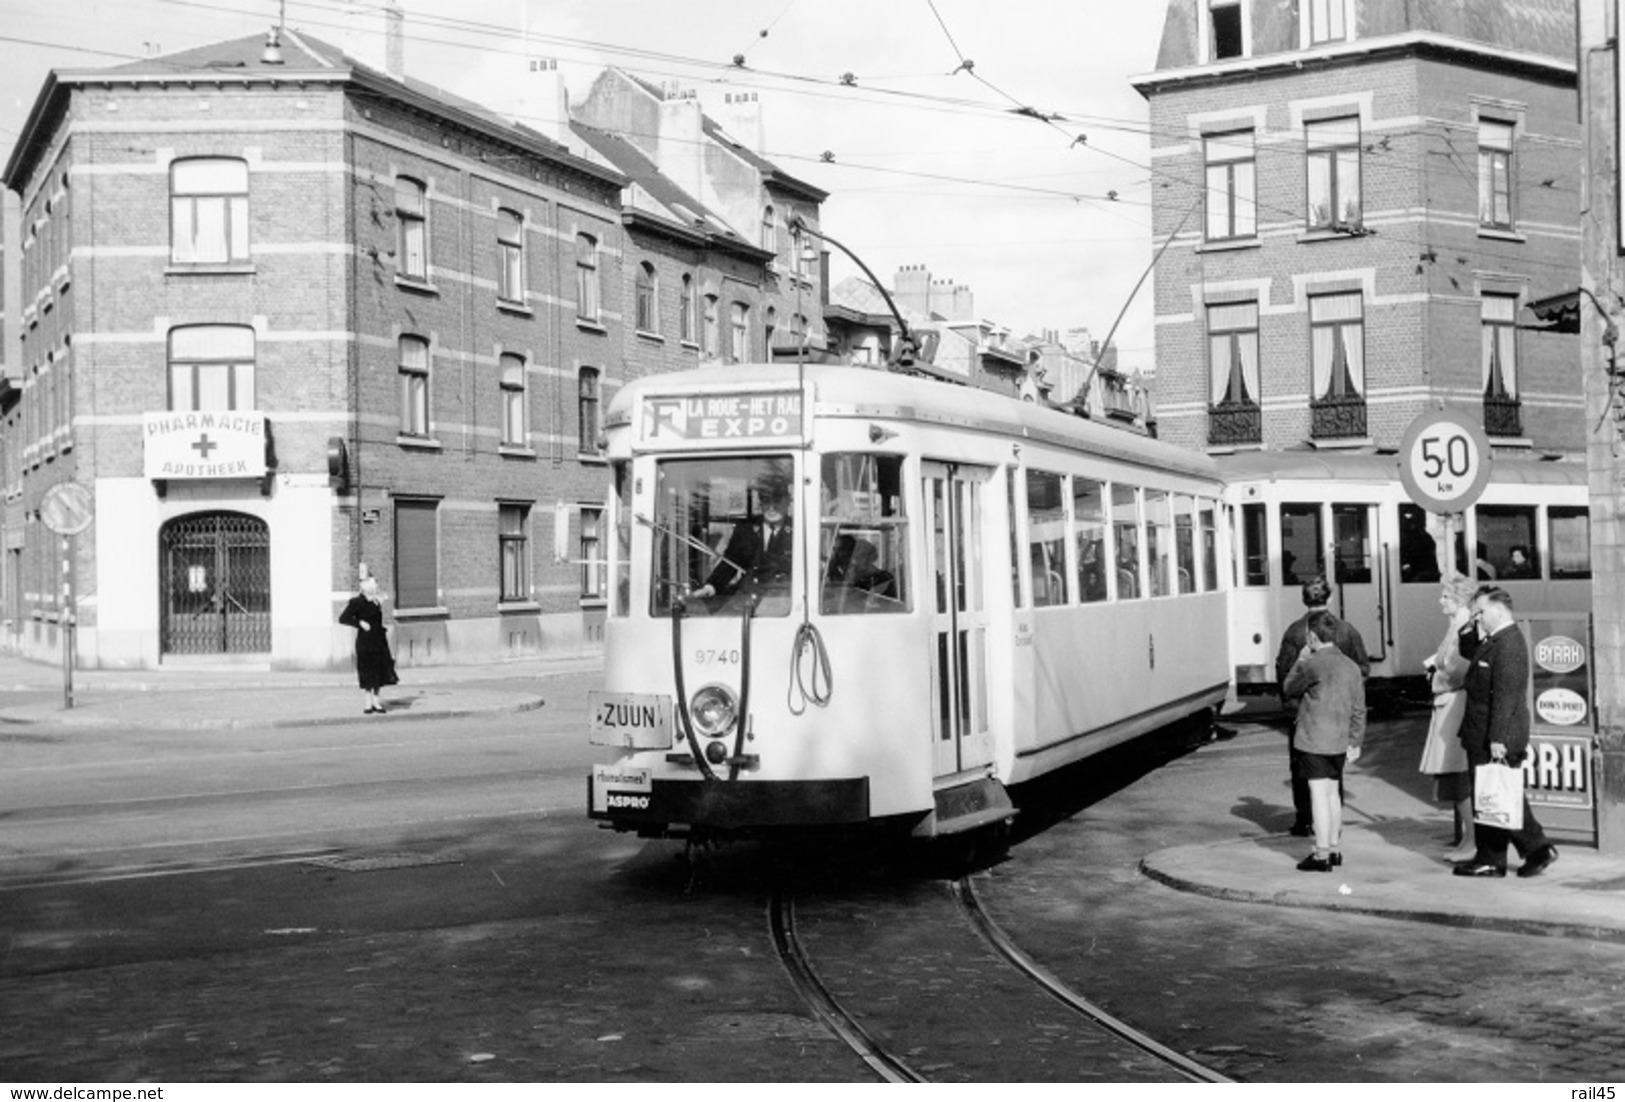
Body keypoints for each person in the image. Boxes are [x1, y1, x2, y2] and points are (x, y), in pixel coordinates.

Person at [1452, 587, 1559, 879]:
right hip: (1484, 732)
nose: (1479, 618)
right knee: (1494, 795)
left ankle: (1508, 854)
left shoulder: (1508, 644)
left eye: (1482, 612)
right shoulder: (1493, 640)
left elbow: (1507, 696)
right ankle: (1509, 854)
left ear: (1498, 610)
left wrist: (1498, 738)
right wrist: (1469, 624)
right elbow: (1467, 651)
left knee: (1495, 795)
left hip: (1496, 734)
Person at [1274, 575, 1370, 836]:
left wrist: (1291, 707)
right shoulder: (1346, 630)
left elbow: (1284, 673)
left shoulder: (1295, 632)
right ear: (1329, 597)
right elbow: (1362, 668)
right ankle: (1332, 827)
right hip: (1339, 713)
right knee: (1332, 776)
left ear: (1304, 599)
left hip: (1305, 715)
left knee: (1302, 769)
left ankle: (1306, 820)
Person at [1281, 609, 1367, 871]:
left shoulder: (1312, 663)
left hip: (1314, 738)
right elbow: (1359, 709)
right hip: (1340, 738)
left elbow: (1289, 687)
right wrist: (1355, 741)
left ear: (1312, 637)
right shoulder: (1351, 667)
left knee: (1318, 795)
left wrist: (1300, 659)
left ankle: (1321, 854)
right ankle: (1335, 848)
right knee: (1332, 794)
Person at [1418, 575, 1478, 861]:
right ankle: (1469, 837)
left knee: (1457, 774)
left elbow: (1458, 670)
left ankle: (1472, 839)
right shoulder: (1456, 626)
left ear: (1460, 600)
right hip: (1449, 704)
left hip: (1454, 704)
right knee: (1454, 775)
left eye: (1445, 597)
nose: (1440, 601)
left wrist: (1436, 676)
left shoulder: (1462, 629)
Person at [692, 490, 793, 600]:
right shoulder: (746, 529)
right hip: (749, 597)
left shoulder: (798, 530)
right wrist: (711, 586)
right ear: (761, 503)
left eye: (777, 501)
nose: (771, 507)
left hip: (786, 598)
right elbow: (730, 562)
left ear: (787, 502)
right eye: (766, 501)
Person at [338, 576, 397, 714]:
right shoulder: (357, 602)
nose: (375, 590)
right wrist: (359, 623)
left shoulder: (376, 601)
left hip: (378, 639)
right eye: (373, 588)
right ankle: (367, 701)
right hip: (365, 641)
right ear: (366, 589)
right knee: (367, 670)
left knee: (378, 669)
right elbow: (343, 618)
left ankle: (376, 701)